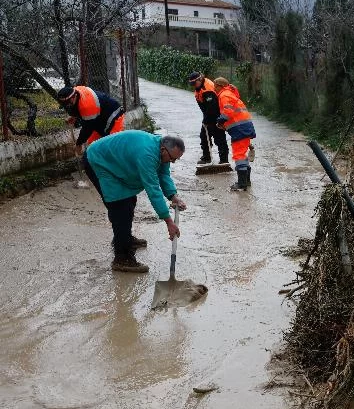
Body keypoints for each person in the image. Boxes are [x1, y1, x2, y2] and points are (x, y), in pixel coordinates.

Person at [82, 131, 187, 273]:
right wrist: (168, 221)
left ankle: (125, 238)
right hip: (99, 161)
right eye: (172, 159)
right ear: (163, 149)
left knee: (130, 200)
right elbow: (153, 188)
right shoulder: (147, 154)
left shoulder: (162, 150)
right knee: (120, 207)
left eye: (175, 160)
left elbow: (163, 174)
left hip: (116, 161)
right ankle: (122, 258)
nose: (172, 162)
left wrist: (173, 196)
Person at [214, 77, 256, 191]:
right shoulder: (230, 93)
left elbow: (228, 111)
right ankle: (246, 181)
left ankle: (242, 184)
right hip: (244, 127)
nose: (214, 88)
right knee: (242, 154)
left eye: (215, 86)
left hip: (239, 129)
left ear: (219, 86)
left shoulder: (224, 95)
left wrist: (220, 120)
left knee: (239, 155)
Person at [57, 85, 125, 154]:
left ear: (74, 96)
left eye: (68, 103)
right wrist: (74, 116)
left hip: (113, 114)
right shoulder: (75, 91)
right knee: (93, 146)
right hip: (98, 115)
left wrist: (79, 144)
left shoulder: (87, 106)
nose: (67, 106)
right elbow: (75, 106)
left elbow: (87, 129)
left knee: (112, 144)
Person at [187, 71, 229, 165]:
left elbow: (212, 107)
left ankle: (224, 160)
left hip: (217, 116)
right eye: (192, 84)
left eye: (194, 83)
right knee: (204, 137)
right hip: (208, 116)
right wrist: (205, 119)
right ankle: (206, 158)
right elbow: (205, 108)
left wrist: (206, 120)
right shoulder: (199, 88)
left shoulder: (208, 89)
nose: (194, 86)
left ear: (200, 79)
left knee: (219, 138)